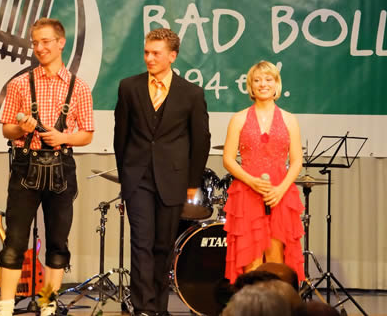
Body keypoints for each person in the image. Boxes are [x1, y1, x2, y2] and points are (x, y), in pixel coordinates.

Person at [0, 18, 94, 316]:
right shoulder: (19, 83)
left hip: (61, 168)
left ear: (61, 43)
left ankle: (48, 304)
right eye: (35, 42)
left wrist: (64, 137)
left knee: (57, 242)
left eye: (46, 42)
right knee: (14, 241)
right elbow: (7, 129)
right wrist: (21, 128)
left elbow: (87, 134)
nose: (39, 48)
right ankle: (5, 308)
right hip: (25, 166)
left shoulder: (79, 87)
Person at [114, 28, 211, 316]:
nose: (149, 58)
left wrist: (192, 184)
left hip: (173, 180)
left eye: (156, 53)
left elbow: (200, 141)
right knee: (141, 242)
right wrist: (126, 176)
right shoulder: (129, 87)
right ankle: (143, 307)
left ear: (172, 56)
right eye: (146, 52)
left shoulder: (191, 93)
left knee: (163, 245)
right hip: (138, 179)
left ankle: (158, 306)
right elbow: (121, 136)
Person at [222, 61, 304, 283]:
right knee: (251, 257)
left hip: (280, 193)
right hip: (247, 192)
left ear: (277, 84)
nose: (263, 84)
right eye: (257, 80)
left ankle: (276, 301)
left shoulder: (289, 119)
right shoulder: (239, 118)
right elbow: (228, 159)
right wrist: (251, 181)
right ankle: (251, 300)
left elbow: (297, 161)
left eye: (268, 79)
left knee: (277, 259)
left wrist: (280, 190)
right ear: (250, 86)